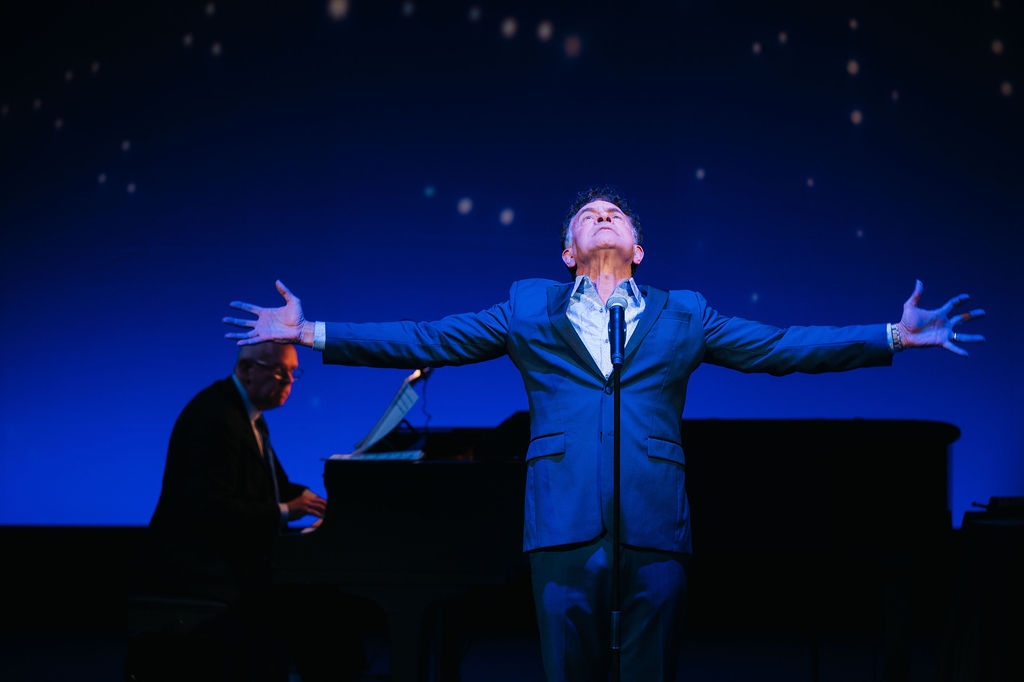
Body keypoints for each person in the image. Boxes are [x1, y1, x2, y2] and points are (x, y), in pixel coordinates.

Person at [223, 187, 985, 681]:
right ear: (567, 252)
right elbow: (430, 335)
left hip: (655, 522)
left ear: (639, 248)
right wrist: (314, 331)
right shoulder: (527, 307)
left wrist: (892, 335)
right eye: (587, 214)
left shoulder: (685, 313)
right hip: (561, 523)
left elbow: (783, 347)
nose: (603, 213)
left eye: (616, 212)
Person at [148, 342, 353, 682]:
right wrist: (288, 510)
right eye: (280, 372)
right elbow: (211, 510)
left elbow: (273, 484)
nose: (288, 382)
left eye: (293, 372)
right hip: (197, 564)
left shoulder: (248, 413)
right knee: (310, 601)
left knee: (318, 594)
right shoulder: (214, 417)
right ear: (246, 369)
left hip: (228, 554)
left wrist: (313, 501)